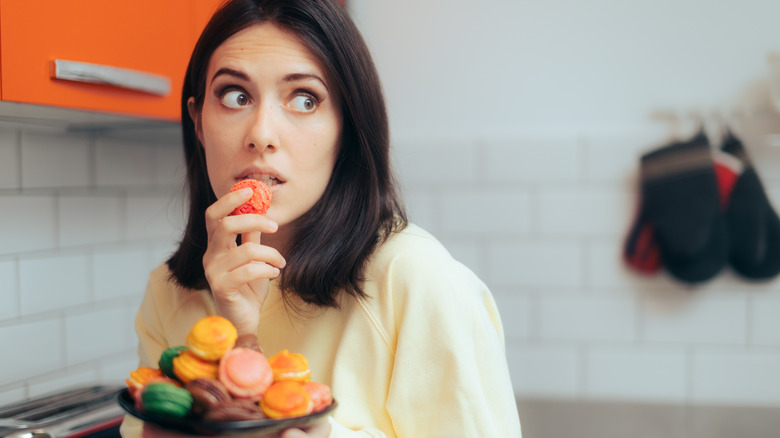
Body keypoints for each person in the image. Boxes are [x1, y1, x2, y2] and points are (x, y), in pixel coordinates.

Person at [119, 0, 521, 437]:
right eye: (236, 96)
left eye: (304, 99)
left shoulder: (417, 281)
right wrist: (240, 338)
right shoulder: (169, 293)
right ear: (198, 121)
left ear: (346, 127)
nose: (261, 135)